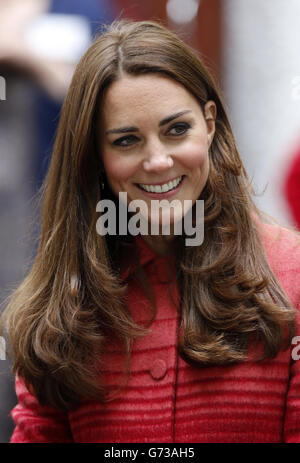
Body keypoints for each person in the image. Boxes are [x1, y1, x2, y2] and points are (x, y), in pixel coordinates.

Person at [1, 19, 300, 444]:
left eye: (177, 129)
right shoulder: (62, 305)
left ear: (209, 124)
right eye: (127, 140)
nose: (157, 161)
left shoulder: (293, 278)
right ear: (95, 155)